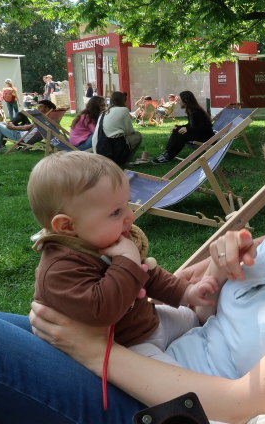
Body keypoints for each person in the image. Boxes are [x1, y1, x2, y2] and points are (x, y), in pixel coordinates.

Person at [0, 108, 265, 424]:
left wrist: (92, 352)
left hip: (168, 410)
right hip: (153, 354)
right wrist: (218, 265)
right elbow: (213, 301)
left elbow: (250, 402)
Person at [26, 151, 219, 365]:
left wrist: (187, 292)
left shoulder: (102, 242)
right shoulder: (60, 269)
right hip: (122, 346)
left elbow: (148, 274)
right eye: (116, 212)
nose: (131, 215)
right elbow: (102, 310)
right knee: (170, 378)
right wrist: (126, 262)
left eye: (126, 204)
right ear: (67, 226)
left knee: (195, 318)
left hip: (149, 321)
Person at [152, 90, 213, 163]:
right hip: (199, 134)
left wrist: (187, 128)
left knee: (181, 134)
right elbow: (192, 125)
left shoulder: (197, 111)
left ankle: (168, 156)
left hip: (206, 137)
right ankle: (167, 153)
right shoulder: (191, 110)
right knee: (177, 130)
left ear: (186, 100)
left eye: (180, 100)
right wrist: (178, 127)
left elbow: (205, 127)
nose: (178, 102)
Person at [92, 91, 142, 162]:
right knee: (137, 136)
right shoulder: (124, 110)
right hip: (111, 148)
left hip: (98, 149)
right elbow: (129, 131)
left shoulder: (103, 113)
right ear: (123, 101)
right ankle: (126, 160)